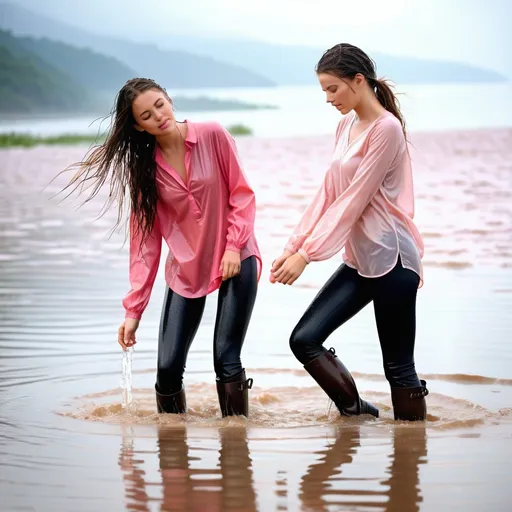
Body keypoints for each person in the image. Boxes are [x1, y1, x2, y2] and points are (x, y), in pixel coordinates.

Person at [63, 78, 261, 418]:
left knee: (225, 358)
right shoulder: (145, 170)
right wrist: (133, 310)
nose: (158, 115)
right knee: (168, 370)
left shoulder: (213, 134)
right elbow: (145, 243)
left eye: (159, 104)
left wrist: (233, 247)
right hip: (186, 267)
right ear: (138, 126)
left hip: (236, 257)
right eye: (146, 115)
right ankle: (171, 448)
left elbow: (242, 195)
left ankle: (236, 443)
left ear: (169, 99)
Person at [270, 44, 428, 421]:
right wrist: (294, 244)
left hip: (394, 261)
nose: (327, 98)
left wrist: (307, 256)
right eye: (323, 90)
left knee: (399, 369)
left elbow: (354, 200)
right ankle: (358, 414)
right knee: (305, 339)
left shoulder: (386, 129)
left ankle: (412, 455)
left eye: (332, 88)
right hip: (359, 261)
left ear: (359, 81)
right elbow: (328, 193)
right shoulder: (344, 126)